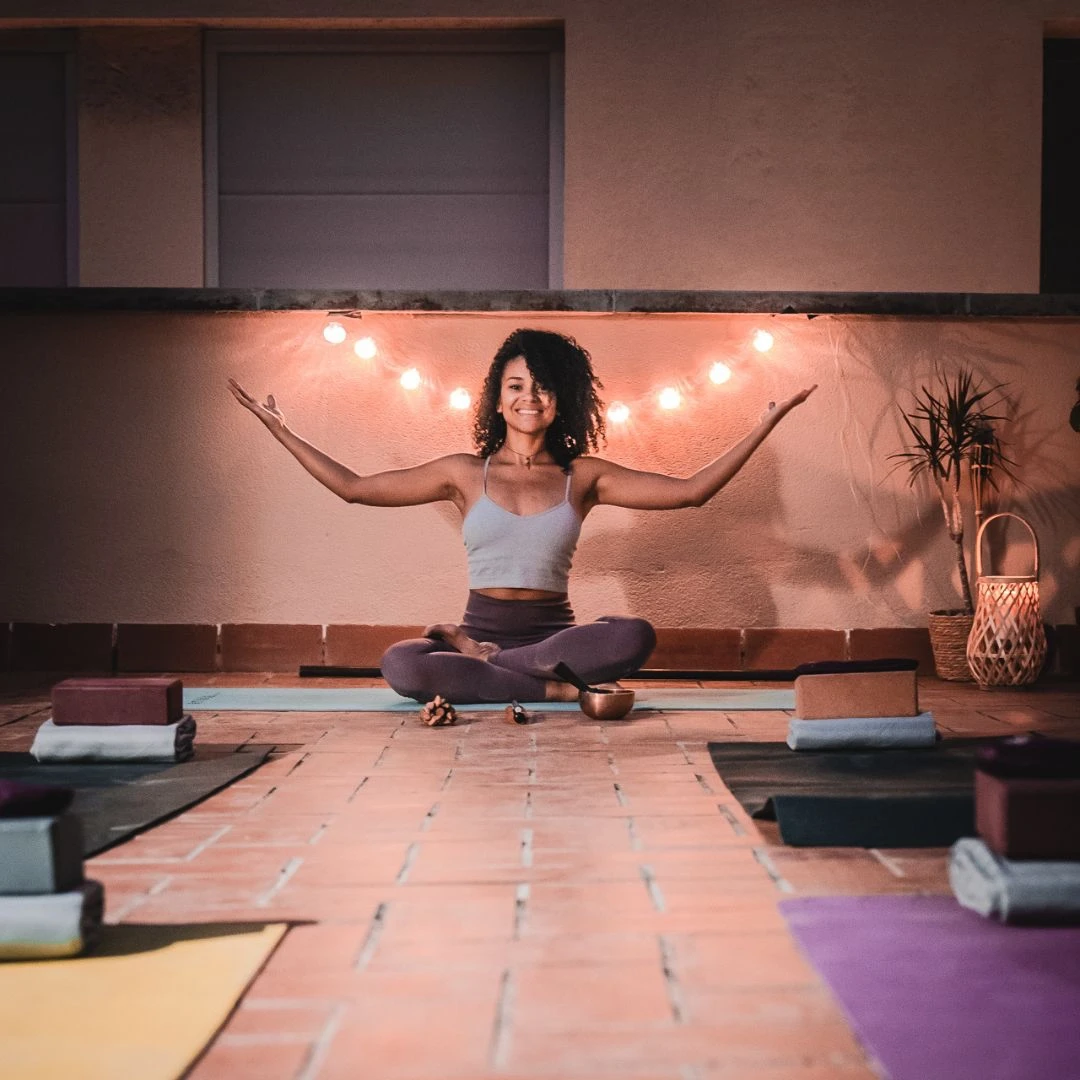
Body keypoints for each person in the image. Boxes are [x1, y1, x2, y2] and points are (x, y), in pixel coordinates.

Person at [229, 328, 816, 714]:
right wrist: (280, 429)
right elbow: (355, 489)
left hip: (551, 640)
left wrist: (764, 425)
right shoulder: (463, 473)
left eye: (541, 387)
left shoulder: (582, 477)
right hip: (488, 633)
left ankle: (498, 668)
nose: (527, 397)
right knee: (399, 663)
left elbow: (691, 493)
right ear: (497, 397)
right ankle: (553, 688)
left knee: (635, 634)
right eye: (515, 385)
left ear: (563, 400)